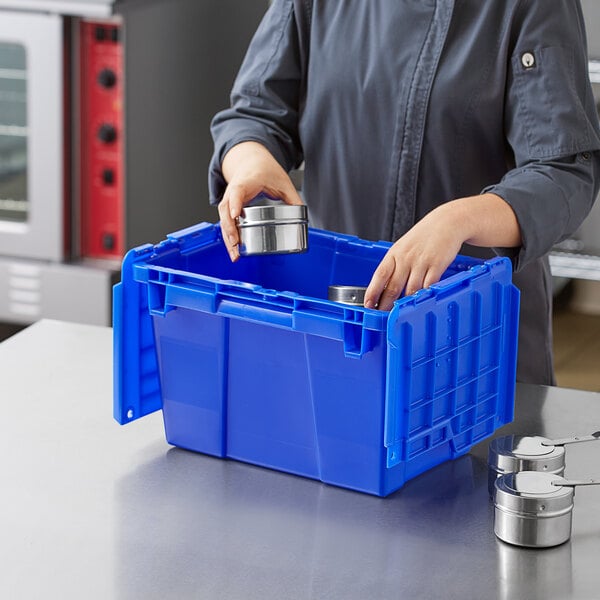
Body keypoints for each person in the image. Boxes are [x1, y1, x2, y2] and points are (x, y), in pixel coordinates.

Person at [209, 0, 600, 385]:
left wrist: (458, 220)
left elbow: (563, 171)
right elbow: (256, 113)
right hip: (337, 329)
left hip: (476, 338)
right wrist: (250, 161)